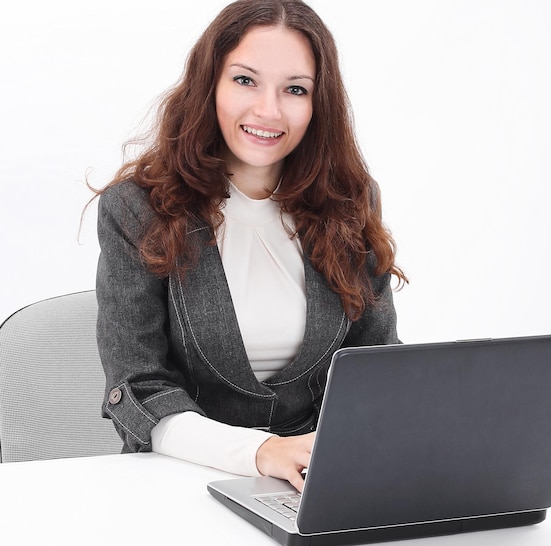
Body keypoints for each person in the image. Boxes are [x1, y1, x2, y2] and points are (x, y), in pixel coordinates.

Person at [94, 0, 407, 492]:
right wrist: (260, 452)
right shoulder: (138, 209)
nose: (269, 110)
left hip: (316, 483)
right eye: (245, 80)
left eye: (295, 89)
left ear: (317, 104)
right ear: (209, 84)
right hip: (181, 482)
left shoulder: (349, 203)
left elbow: (378, 365)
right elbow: (138, 387)